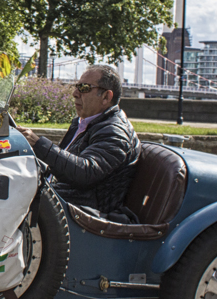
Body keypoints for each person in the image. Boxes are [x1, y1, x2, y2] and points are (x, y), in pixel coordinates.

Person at [13, 64, 141, 222]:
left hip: (85, 214)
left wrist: (39, 144)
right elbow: (62, 164)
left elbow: (85, 173)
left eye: (85, 88)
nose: (75, 93)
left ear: (106, 97)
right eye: (76, 87)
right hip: (63, 201)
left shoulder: (115, 131)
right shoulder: (85, 123)